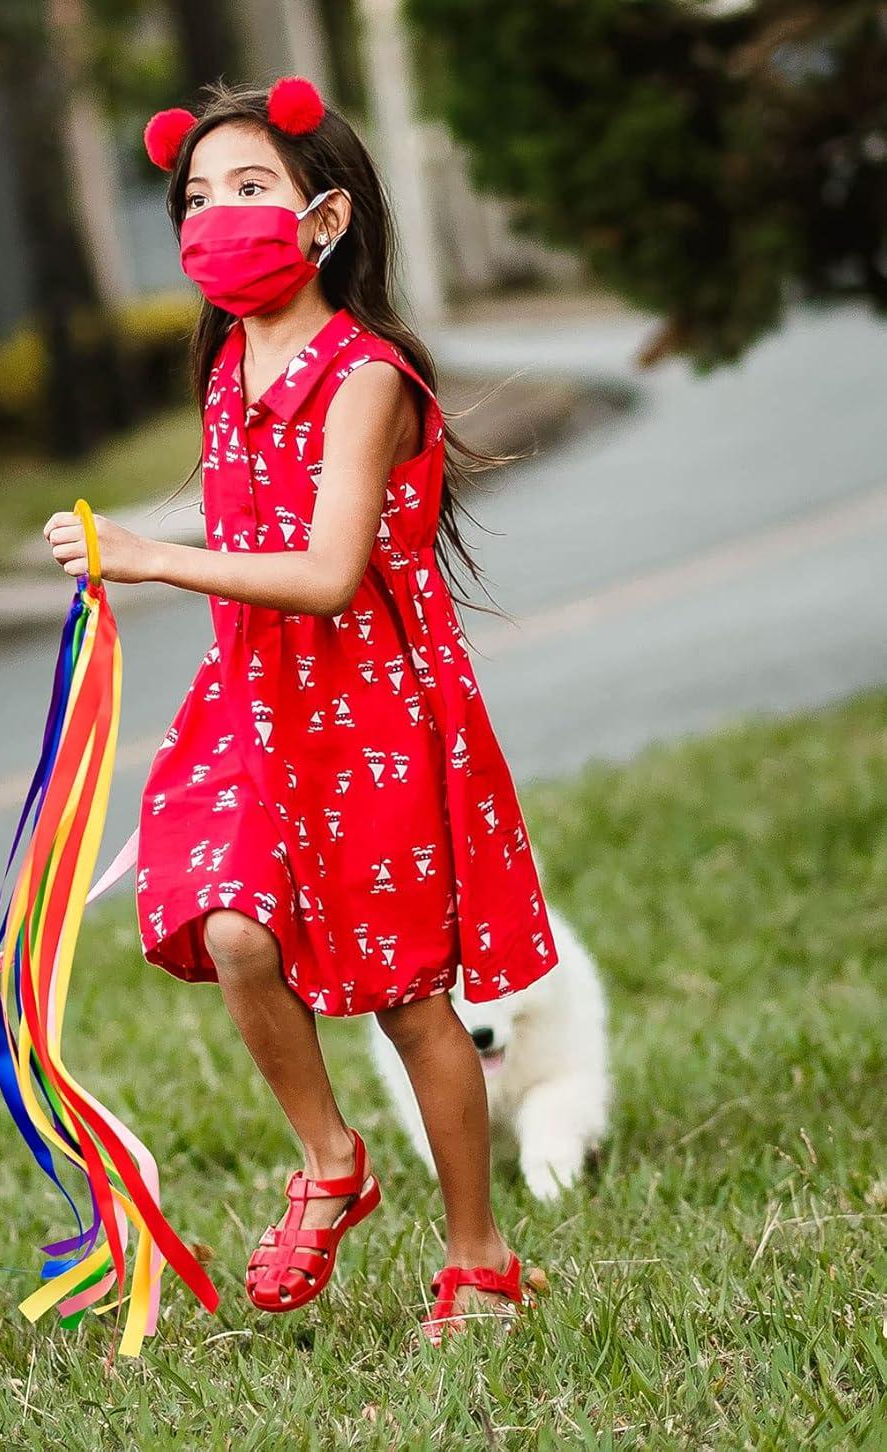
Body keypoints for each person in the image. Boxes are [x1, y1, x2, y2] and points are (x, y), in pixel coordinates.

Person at [42, 76, 558, 1344]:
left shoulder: (367, 376)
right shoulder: (228, 362)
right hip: (257, 700)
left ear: (324, 220)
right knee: (232, 930)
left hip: (368, 713)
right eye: (196, 196)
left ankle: (479, 1257)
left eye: (250, 189)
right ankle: (331, 1161)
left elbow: (330, 574)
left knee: (406, 995)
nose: (216, 216)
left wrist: (150, 558)